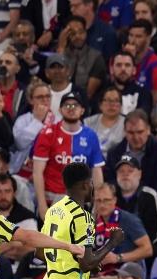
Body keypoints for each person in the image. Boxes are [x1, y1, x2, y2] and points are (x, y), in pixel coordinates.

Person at [32, 91, 104, 220]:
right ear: (60, 109)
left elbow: (97, 172)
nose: (71, 109)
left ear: (82, 110)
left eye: (75, 105)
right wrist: (42, 207)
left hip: (80, 201)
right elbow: (37, 172)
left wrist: (97, 203)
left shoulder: (91, 136)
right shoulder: (47, 133)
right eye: (67, 105)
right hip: (52, 198)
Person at [90, 183, 152, 279]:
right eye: (98, 201)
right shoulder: (94, 223)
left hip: (126, 276)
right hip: (103, 274)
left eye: (106, 200)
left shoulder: (128, 220)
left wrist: (118, 258)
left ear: (114, 200)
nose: (102, 204)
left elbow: (147, 249)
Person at [105, 109, 157, 203]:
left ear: (148, 130)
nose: (136, 138)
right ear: (124, 131)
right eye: (131, 133)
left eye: (140, 132)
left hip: (150, 204)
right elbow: (110, 184)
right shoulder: (114, 153)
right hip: (120, 204)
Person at [114, 154, 157, 246]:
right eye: (121, 171)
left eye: (130, 171)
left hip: (143, 250)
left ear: (139, 174)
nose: (125, 174)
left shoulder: (149, 196)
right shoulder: (110, 195)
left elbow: (155, 233)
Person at [84, 86, 125, 159]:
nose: (112, 105)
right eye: (108, 100)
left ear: (121, 106)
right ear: (100, 105)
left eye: (116, 101)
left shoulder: (126, 123)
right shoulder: (88, 122)